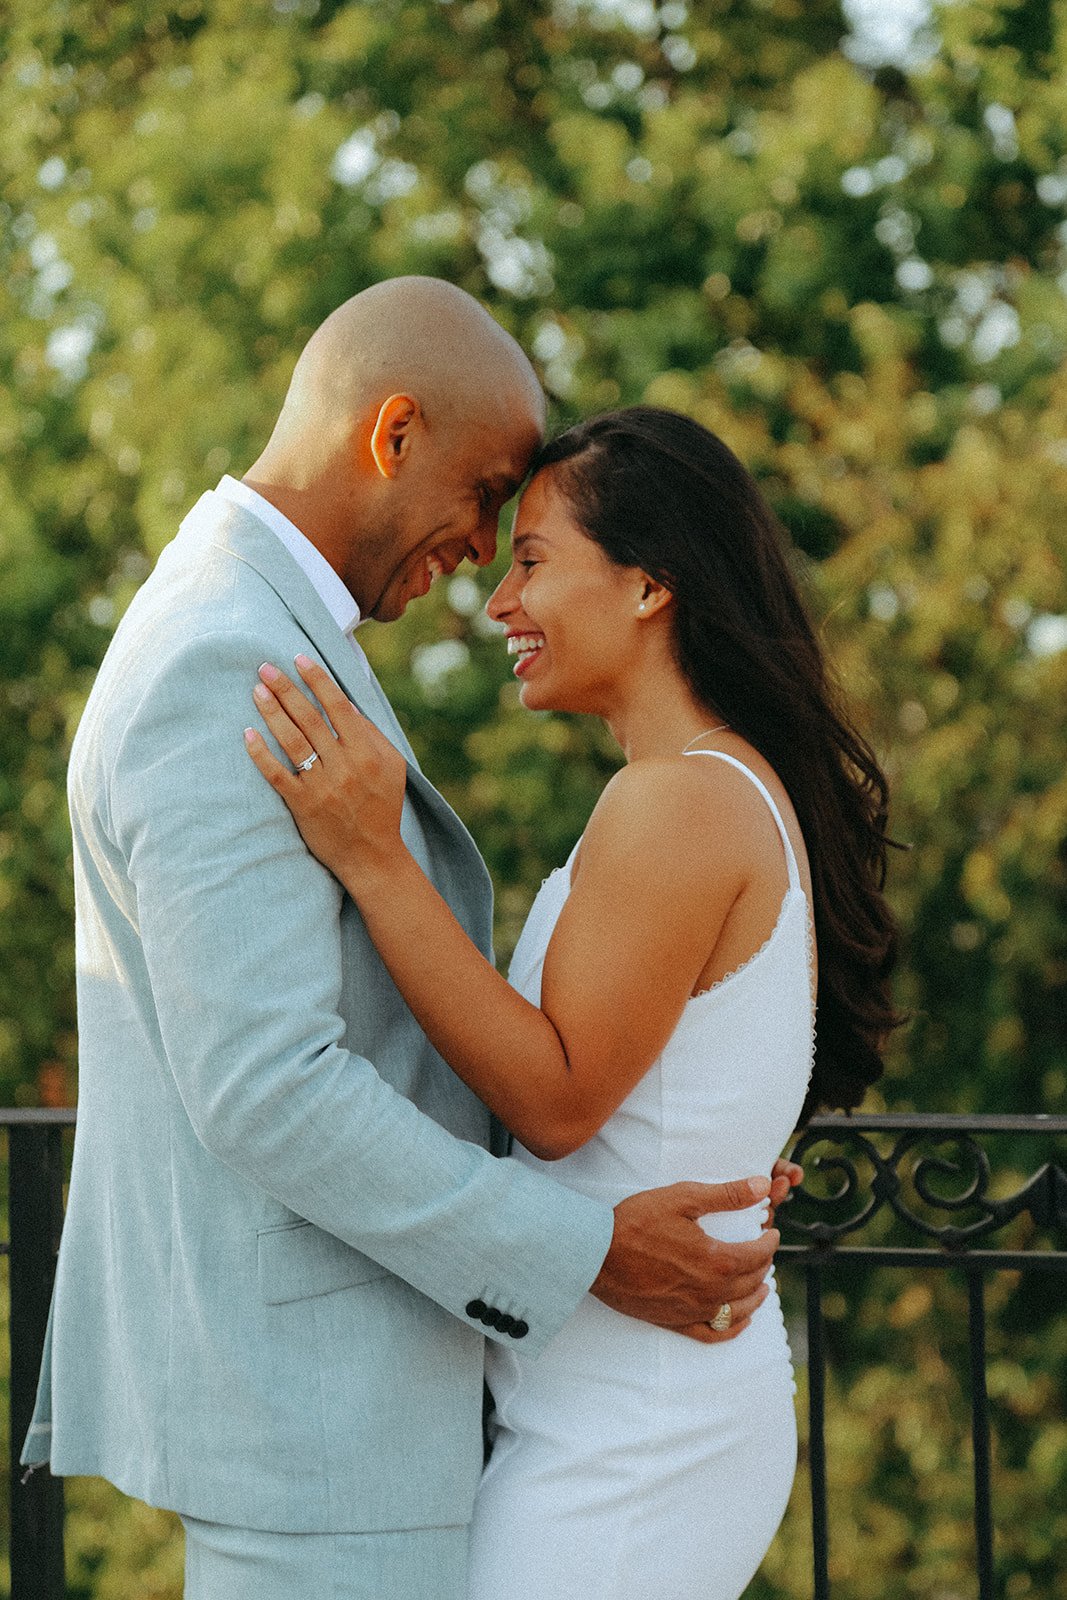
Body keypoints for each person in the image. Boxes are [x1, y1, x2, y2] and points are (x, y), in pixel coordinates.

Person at [21, 283, 799, 1600]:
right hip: (318, 1435)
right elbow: (268, 1087)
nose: (489, 549)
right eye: (488, 491)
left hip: (362, 1425)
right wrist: (581, 1249)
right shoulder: (231, 662)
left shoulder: (251, 627)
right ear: (389, 437)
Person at [245, 404, 900, 1600]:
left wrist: (373, 856)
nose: (497, 606)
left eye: (533, 563)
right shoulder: (702, 788)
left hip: (633, 1437)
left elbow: (553, 1100)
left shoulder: (678, 802)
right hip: (620, 1410)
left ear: (651, 585)